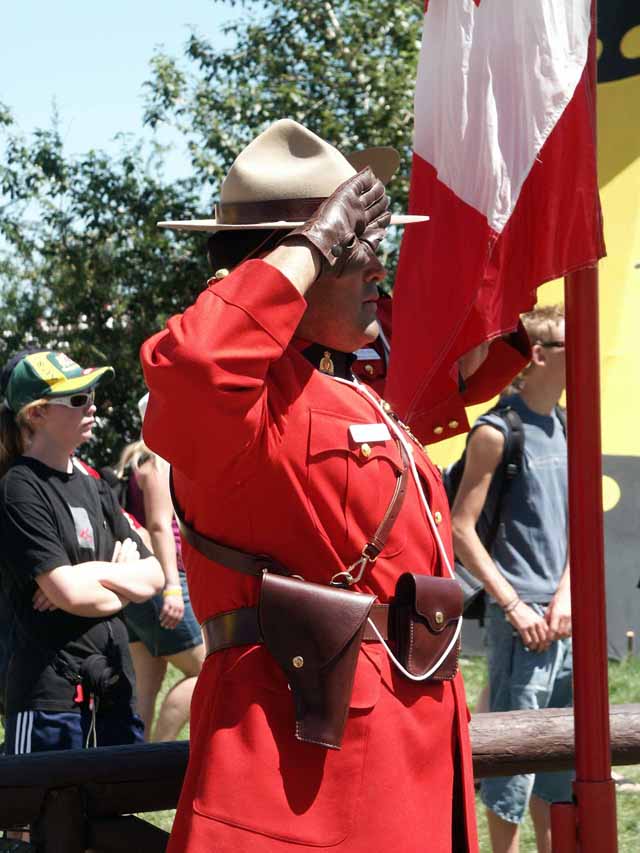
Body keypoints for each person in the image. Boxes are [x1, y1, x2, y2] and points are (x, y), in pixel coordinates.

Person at [141, 119, 479, 853]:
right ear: (296, 264)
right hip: (300, 781)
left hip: (404, 757)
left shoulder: (349, 387)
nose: (377, 276)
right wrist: (315, 242)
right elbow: (199, 360)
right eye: (355, 257)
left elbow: (472, 359)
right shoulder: (237, 404)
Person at [450, 305, 571, 853]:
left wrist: (567, 594)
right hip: (522, 622)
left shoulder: (568, 423)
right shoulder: (497, 431)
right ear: (540, 355)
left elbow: (581, 525)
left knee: (561, 762)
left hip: (565, 619)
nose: (586, 356)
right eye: (575, 346)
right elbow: (459, 529)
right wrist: (515, 606)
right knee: (513, 769)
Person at [0, 349, 163, 754]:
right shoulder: (19, 487)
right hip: (49, 698)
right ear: (35, 414)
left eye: (90, 394)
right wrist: (119, 580)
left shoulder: (94, 485)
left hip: (113, 685)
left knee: (117, 810)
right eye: (77, 399)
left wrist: (87, 577)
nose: (92, 406)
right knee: (43, 816)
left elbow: (156, 575)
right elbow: (68, 592)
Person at [115, 396, 204, 742]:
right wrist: (171, 587)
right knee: (209, 670)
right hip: (162, 582)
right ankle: (160, 754)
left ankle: (130, 779)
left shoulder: (139, 460)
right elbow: (159, 526)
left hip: (141, 585)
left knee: (145, 688)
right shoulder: (157, 461)